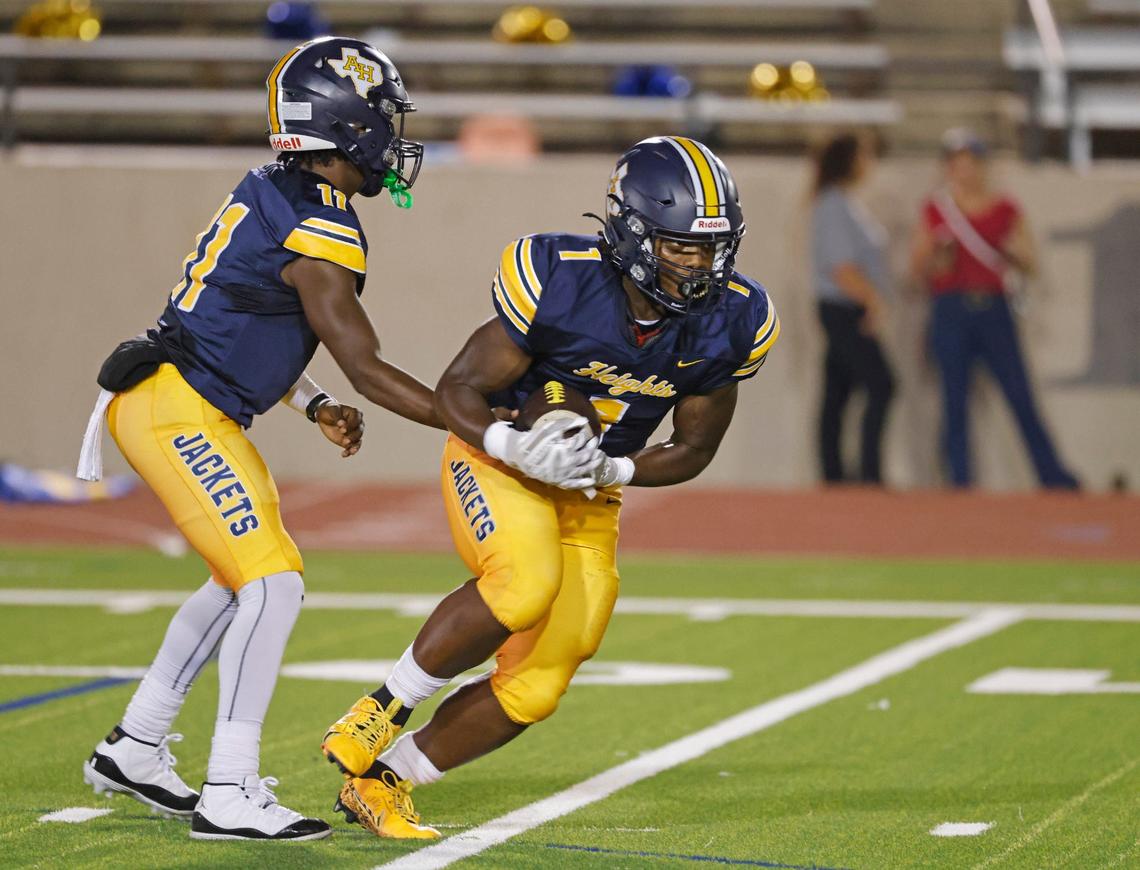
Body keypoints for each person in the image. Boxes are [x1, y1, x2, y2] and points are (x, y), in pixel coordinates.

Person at [320, 136, 781, 839]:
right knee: (525, 582)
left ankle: (384, 783)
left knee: (544, 677)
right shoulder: (561, 279)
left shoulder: (734, 320)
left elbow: (693, 447)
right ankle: (386, 703)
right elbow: (459, 387)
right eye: (683, 247)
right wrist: (509, 442)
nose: (701, 266)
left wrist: (610, 470)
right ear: (632, 233)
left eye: (713, 249)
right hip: (501, 462)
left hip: (591, 489)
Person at [78, 36, 444, 841]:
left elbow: (241, 329)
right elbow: (368, 366)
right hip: (177, 409)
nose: (392, 134)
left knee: (234, 579)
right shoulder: (318, 226)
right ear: (342, 126)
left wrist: (311, 405)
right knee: (272, 584)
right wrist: (473, 421)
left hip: (185, 399)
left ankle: (137, 744)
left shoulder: (283, 193)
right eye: (382, 116)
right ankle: (229, 787)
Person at [911, 128, 1078, 489]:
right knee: (954, 399)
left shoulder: (1005, 208)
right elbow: (918, 267)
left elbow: (1029, 259)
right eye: (956, 164)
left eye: (969, 163)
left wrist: (1011, 253)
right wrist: (938, 256)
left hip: (993, 307)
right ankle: (960, 480)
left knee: (1019, 395)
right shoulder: (937, 209)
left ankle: (1052, 476)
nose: (963, 172)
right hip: (951, 307)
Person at [809, 132, 894, 484]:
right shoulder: (832, 205)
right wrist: (874, 302)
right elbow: (842, 268)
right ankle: (868, 474)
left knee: (838, 391)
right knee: (882, 384)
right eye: (864, 156)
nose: (868, 164)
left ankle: (835, 476)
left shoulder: (842, 202)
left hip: (845, 307)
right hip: (843, 307)